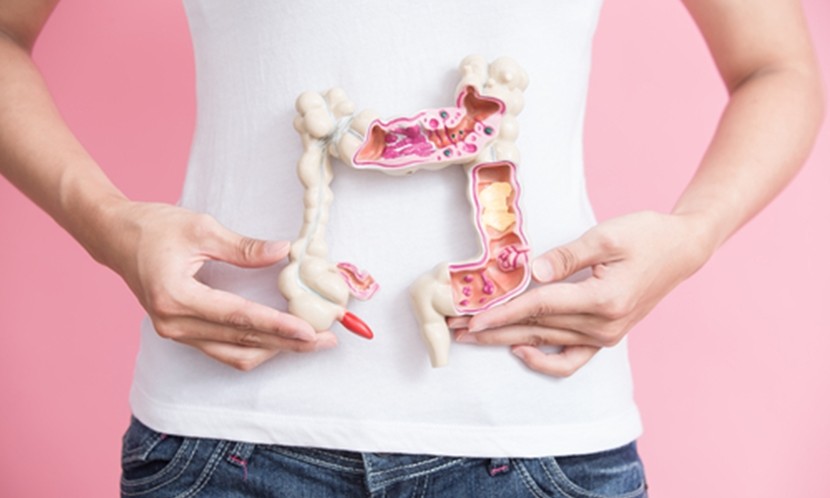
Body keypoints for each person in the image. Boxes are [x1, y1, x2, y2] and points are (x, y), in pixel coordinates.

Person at [0, 0, 823, 497]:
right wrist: (109, 225)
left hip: (539, 440)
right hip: (225, 440)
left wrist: (692, 235)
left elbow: (776, 65)